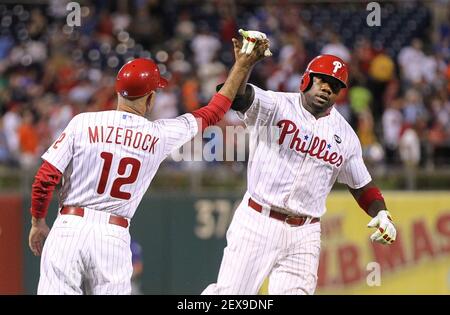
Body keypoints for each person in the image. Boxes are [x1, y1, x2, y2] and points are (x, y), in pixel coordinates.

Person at [28, 37, 270, 295]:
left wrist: (38, 222)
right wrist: (242, 66)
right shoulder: (158, 135)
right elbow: (214, 110)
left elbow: (46, 177)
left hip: (69, 226)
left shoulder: (83, 123)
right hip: (112, 236)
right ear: (151, 98)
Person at [203, 31, 397, 295]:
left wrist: (381, 212)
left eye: (335, 85)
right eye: (323, 80)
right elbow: (235, 98)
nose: (328, 88)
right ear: (306, 80)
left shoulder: (346, 136)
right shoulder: (275, 105)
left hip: (305, 233)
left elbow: (362, 185)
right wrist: (243, 65)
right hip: (258, 220)